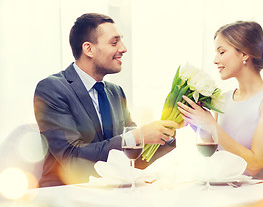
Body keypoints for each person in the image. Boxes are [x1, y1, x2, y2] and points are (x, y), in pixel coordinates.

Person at [34, 13, 179, 187]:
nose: (123, 48)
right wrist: (137, 136)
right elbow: (71, 158)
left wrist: (165, 134)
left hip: (110, 193)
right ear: (89, 49)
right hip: (65, 193)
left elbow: (134, 160)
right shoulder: (52, 89)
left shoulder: (115, 93)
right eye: (114, 42)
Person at [177, 21, 263, 181]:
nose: (215, 60)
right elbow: (219, 156)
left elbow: (254, 165)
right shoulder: (224, 99)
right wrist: (199, 124)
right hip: (232, 195)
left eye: (221, 52)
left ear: (245, 54)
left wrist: (211, 125)